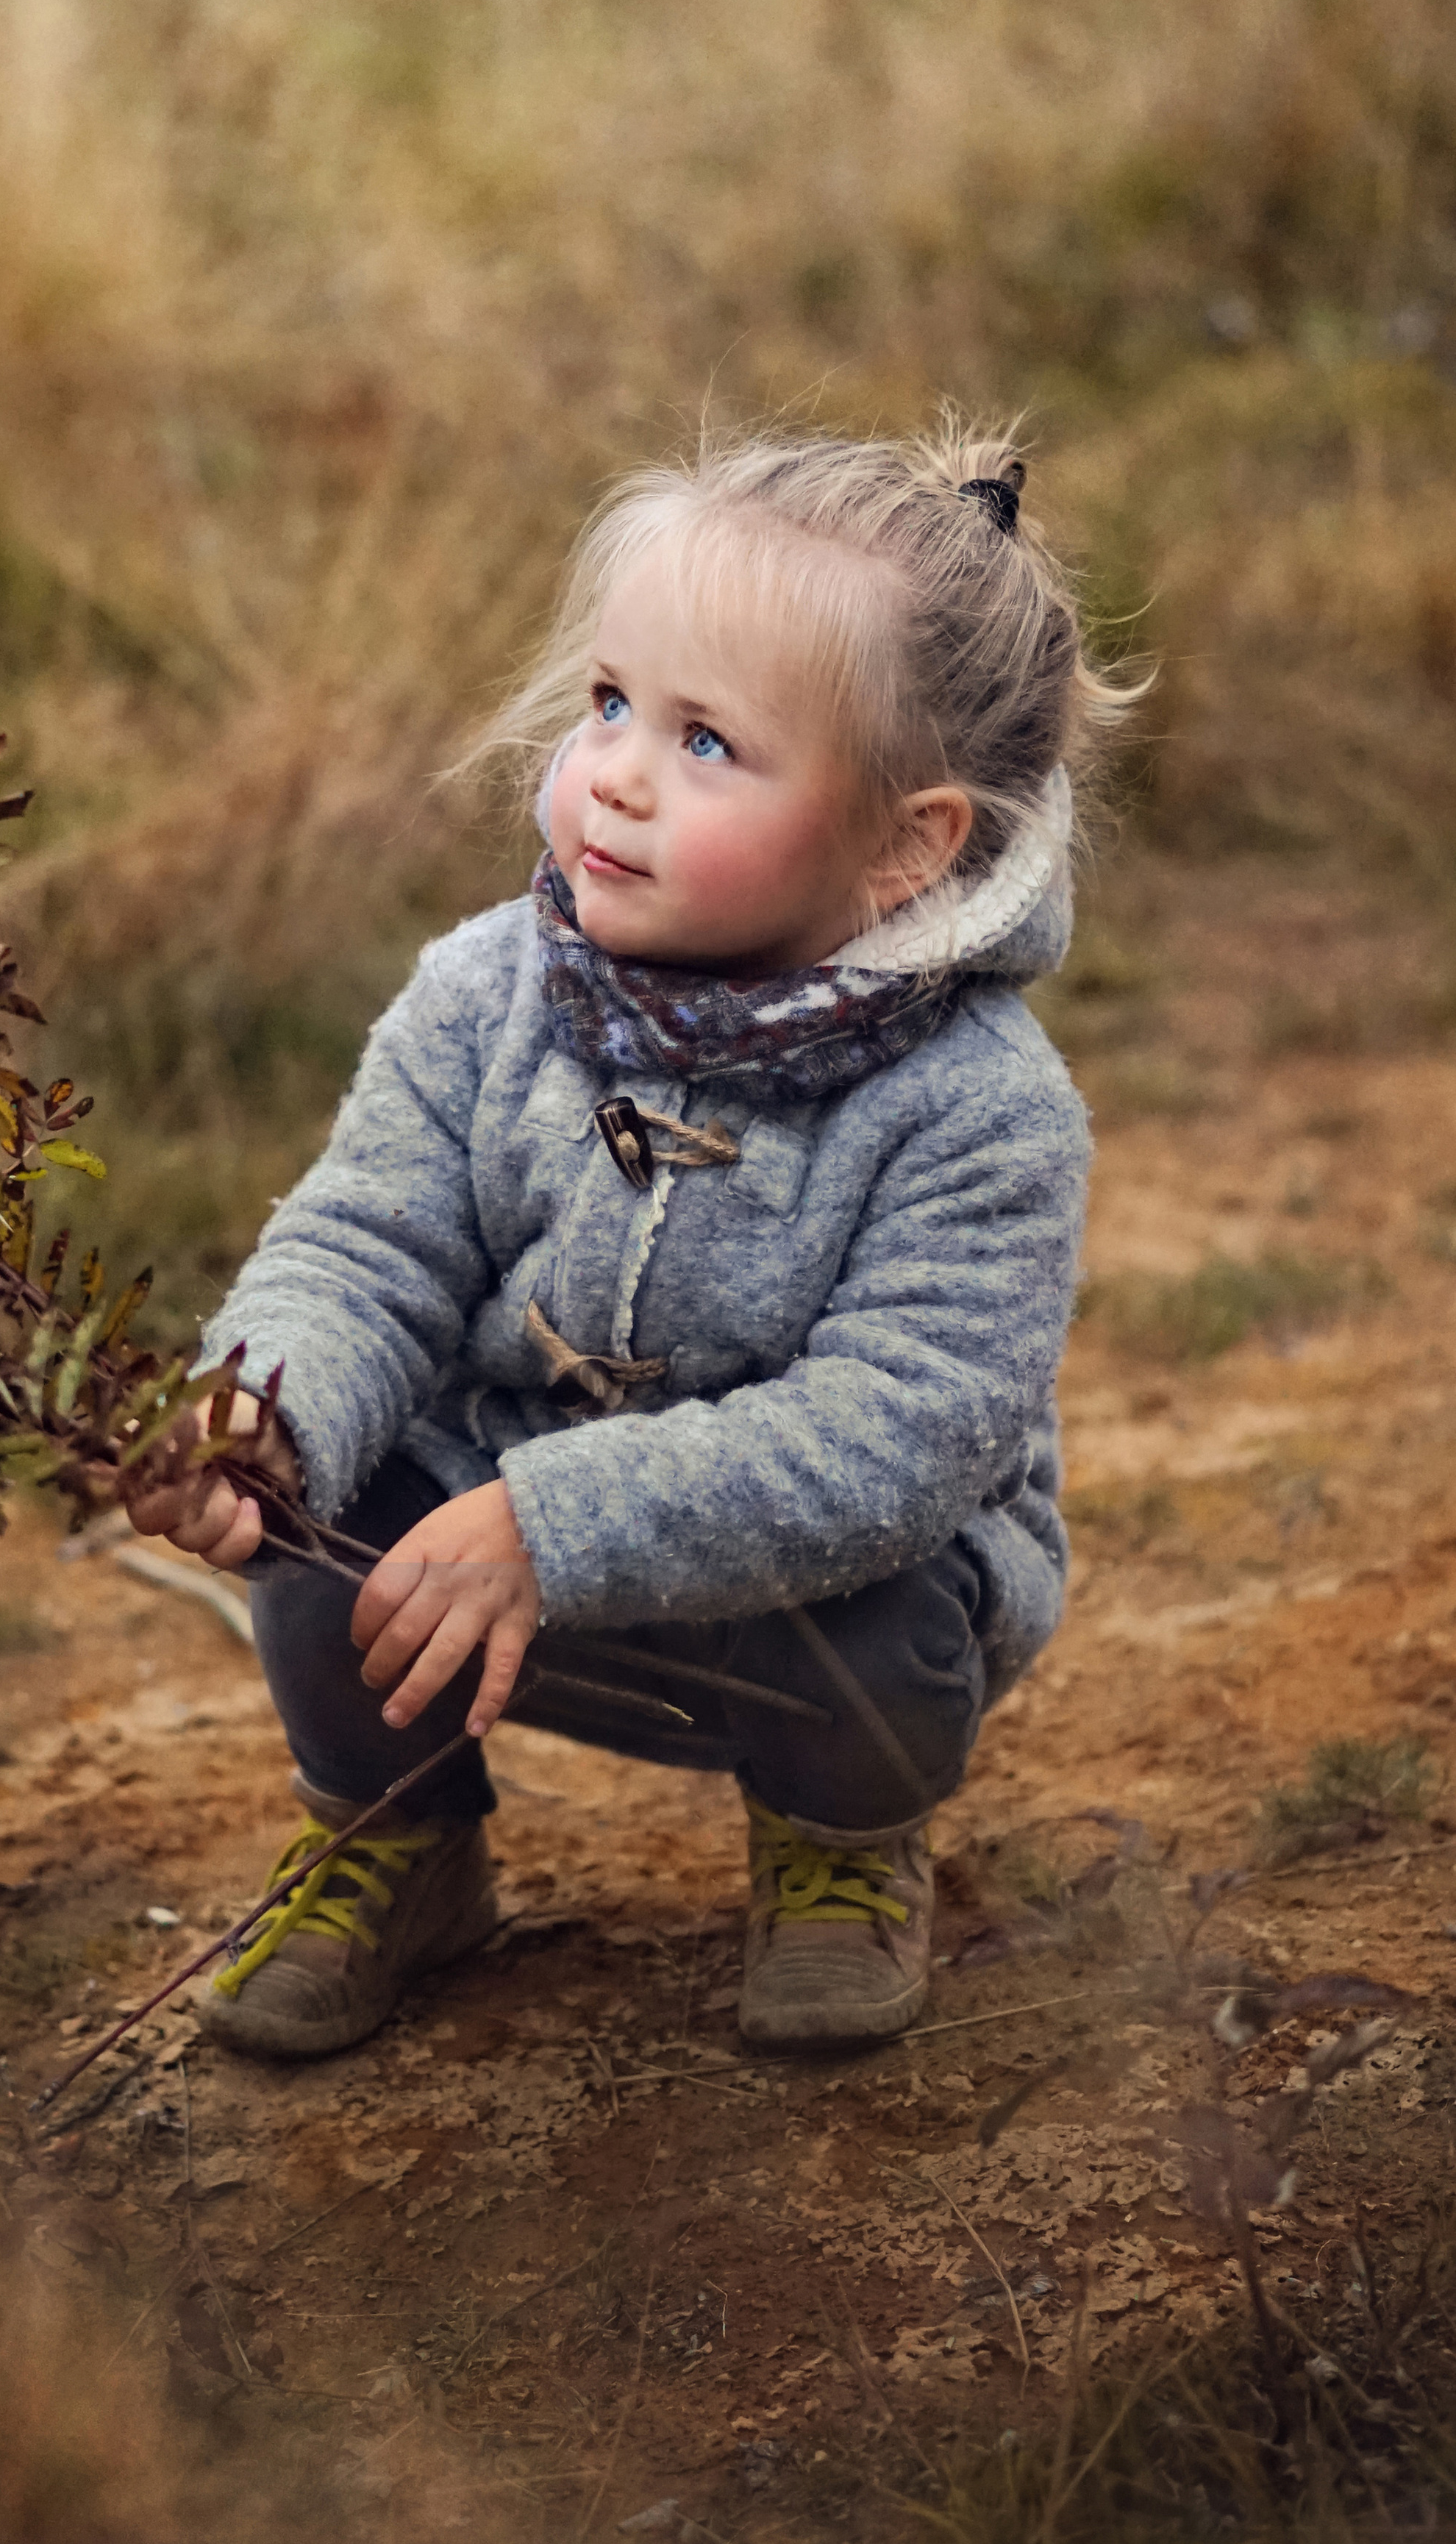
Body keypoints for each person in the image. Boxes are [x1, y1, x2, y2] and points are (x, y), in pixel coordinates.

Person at [126, 421, 1130, 2061]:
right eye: (608, 704)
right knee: (320, 1516)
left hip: (793, 1602)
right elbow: (365, 1241)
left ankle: (837, 1848)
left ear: (904, 844)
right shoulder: (481, 995)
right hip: (467, 1553)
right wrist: (264, 1405)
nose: (615, 773)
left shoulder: (976, 1110)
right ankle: (399, 1842)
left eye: (708, 743)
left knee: (889, 1627)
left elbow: (894, 1437)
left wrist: (556, 1521)